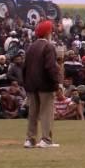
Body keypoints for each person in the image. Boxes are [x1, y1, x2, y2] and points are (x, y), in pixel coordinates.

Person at [22, 20, 61, 148]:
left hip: (31, 85)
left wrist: (26, 85)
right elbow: (50, 67)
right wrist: (56, 83)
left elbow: (25, 68)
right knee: (46, 112)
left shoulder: (30, 47)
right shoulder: (48, 47)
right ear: (48, 32)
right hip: (45, 85)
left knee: (32, 113)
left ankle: (30, 139)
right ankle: (46, 140)